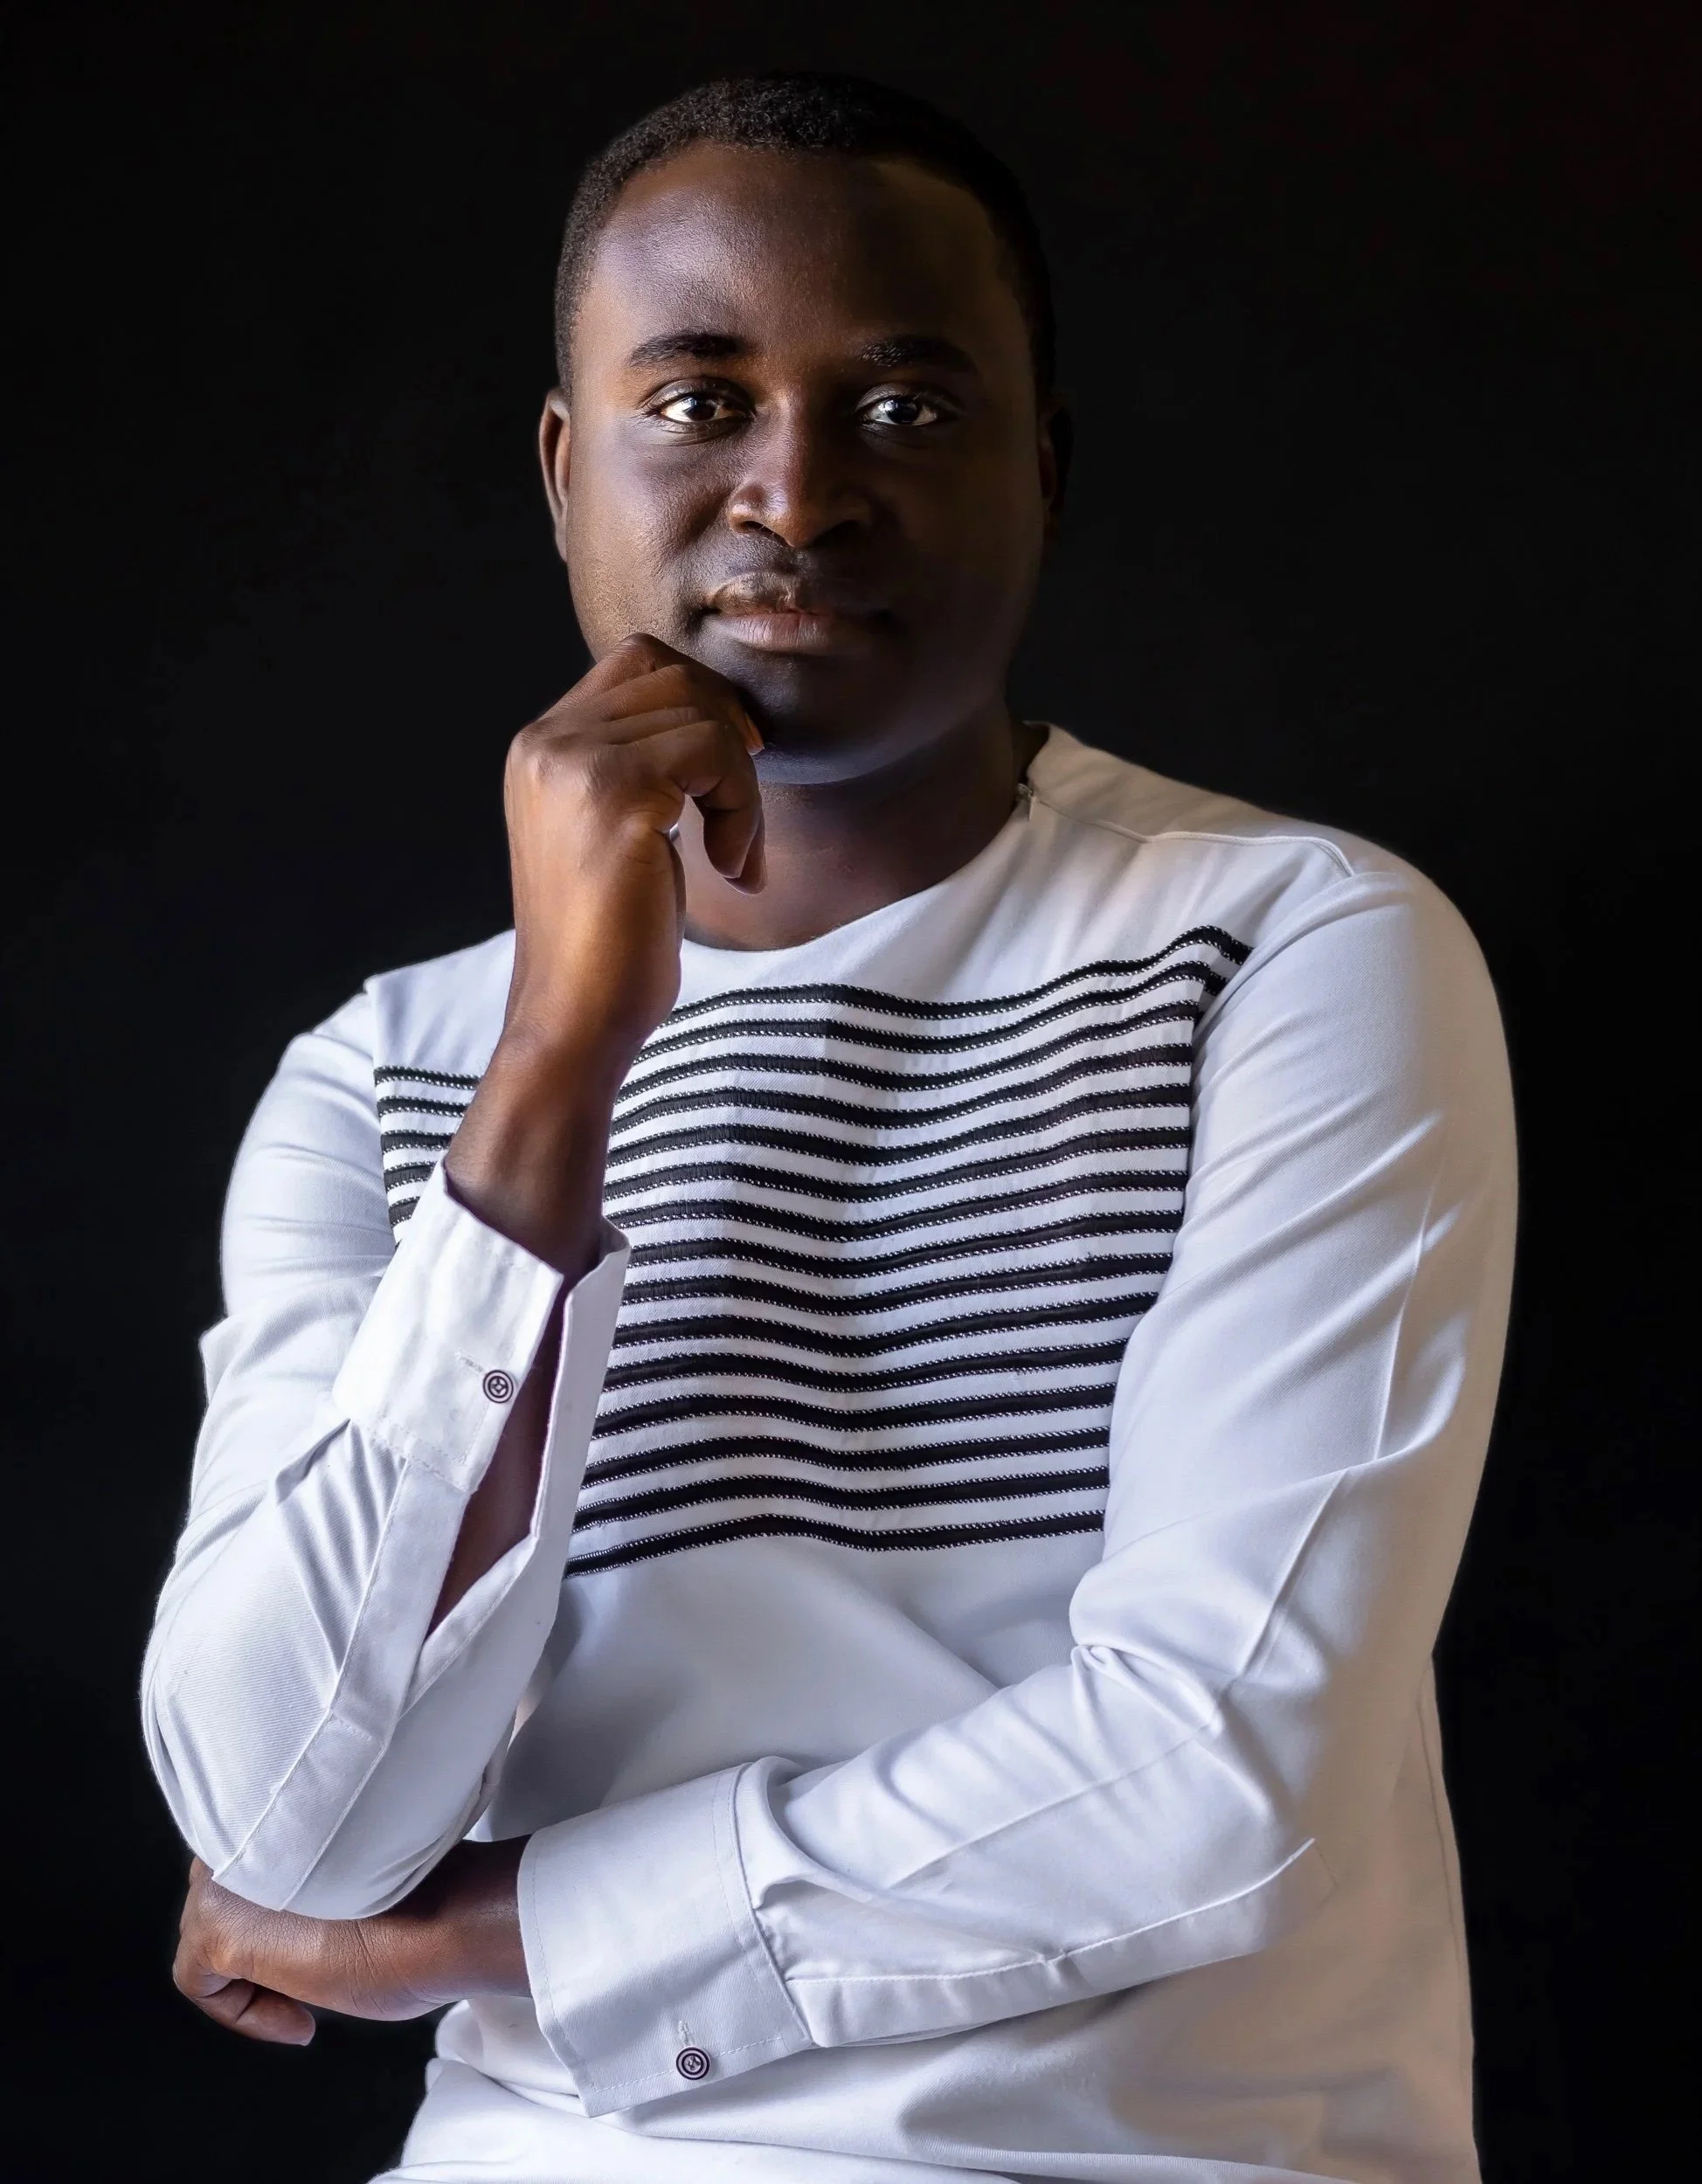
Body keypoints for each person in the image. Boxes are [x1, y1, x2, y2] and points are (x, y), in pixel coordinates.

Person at [143, 71, 1516, 2184]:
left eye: (902, 405)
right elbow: (285, 1815)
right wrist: (559, 1052)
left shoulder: (1282, 948)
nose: (792, 491)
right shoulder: (382, 1074)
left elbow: (1222, 1761)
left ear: (1038, 470)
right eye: (695, 400)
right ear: (561, 467)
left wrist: (496, 1934)